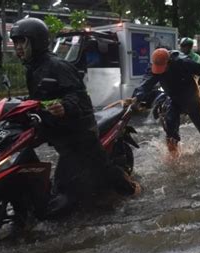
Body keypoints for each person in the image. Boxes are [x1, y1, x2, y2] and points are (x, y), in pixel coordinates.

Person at [9, 17, 140, 216]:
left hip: (79, 131)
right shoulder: (32, 68)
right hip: (57, 128)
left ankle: (133, 190)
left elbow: (78, 96)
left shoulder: (58, 66)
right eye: (15, 42)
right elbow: (40, 97)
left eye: (22, 42)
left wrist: (65, 106)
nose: (17, 47)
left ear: (36, 42)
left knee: (96, 170)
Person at [128, 48, 200, 156]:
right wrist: (136, 98)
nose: (160, 71)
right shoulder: (154, 67)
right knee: (170, 122)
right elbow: (146, 83)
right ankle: (173, 156)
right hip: (173, 98)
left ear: (169, 62)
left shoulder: (183, 62)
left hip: (191, 96)